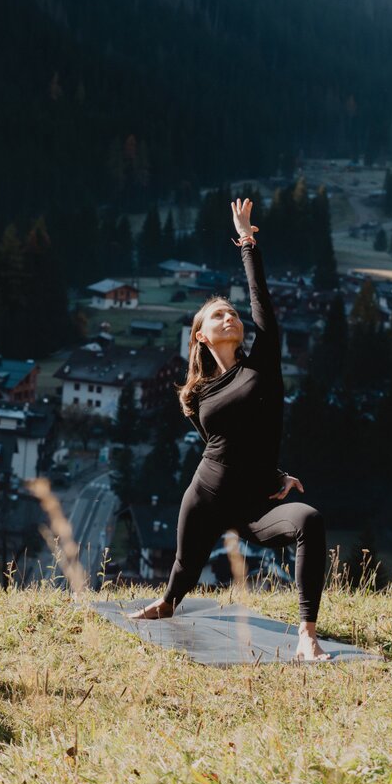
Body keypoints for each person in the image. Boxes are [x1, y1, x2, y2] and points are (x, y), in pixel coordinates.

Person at [129, 199, 330, 662]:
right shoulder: (197, 395)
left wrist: (247, 241)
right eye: (219, 315)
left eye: (232, 314)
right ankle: (165, 604)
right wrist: (273, 469)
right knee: (184, 568)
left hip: (255, 507)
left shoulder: (262, 366)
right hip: (206, 494)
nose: (230, 317)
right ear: (200, 336)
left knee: (310, 521)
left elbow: (261, 301)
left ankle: (307, 634)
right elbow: (228, 443)